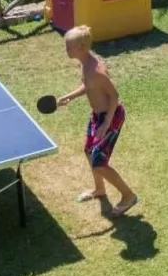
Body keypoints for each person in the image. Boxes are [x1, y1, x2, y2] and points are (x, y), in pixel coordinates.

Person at [57, 25, 138, 217]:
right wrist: (70, 96)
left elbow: (114, 96)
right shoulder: (86, 63)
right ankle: (99, 189)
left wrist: (106, 123)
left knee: (99, 162)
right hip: (98, 116)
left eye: (69, 47)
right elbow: (88, 86)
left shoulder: (96, 70)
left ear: (82, 47)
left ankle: (129, 196)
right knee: (88, 151)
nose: (66, 50)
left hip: (110, 116)